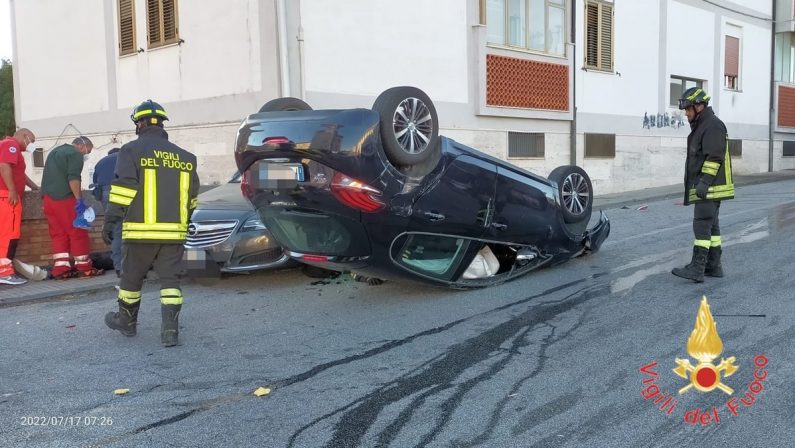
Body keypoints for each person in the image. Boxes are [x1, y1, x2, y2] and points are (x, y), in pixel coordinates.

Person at [103, 100, 199, 347]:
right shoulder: (186, 158)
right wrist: (183, 224)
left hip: (140, 232)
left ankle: (127, 324)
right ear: (162, 123)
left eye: (137, 123)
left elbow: (123, 188)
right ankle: (170, 332)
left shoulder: (131, 151)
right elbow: (192, 199)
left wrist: (111, 220)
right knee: (170, 282)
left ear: (141, 123)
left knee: (131, 280)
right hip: (174, 234)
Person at [671, 87, 734, 283]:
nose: (686, 113)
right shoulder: (704, 125)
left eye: (688, 109)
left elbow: (714, 157)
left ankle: (697, 269)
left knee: (701, 227)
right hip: (711, 189)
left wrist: (704, 182)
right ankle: (714, 266)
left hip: (709, 188)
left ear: (699, 106)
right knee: (712, 228)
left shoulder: (712, 126)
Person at [40, 136, 103, 278]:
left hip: (48, 199)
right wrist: (79, 199)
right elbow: (74, 178)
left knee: (58, 234)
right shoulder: (74, 154)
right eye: (87, 151)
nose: (85, 155)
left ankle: (61, 270)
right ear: (82, 146)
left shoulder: (55, 151)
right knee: (78, 231)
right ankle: (84, 268)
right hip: (65, 198)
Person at [0, 129, 40, 285]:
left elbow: (20, 175)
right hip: (7, 198)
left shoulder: (6, 145)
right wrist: (12, 190)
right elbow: (4, 166)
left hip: (4, 196)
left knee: (6, 234)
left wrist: (34, 187)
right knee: (9, 236)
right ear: (24, 136)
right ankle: (5, 273)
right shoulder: (11, 145)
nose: (31, 145)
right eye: (31, 140)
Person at [92, 147, 123, 276]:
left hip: (106, 194)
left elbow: (95, 182)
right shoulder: (126, 158)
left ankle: (119, 267)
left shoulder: (101, 162)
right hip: (125, 191)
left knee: (117, 231)